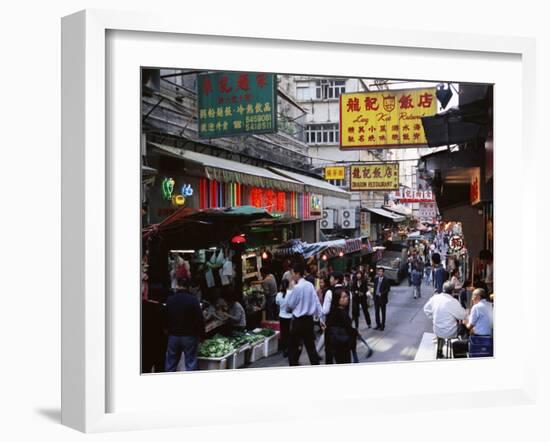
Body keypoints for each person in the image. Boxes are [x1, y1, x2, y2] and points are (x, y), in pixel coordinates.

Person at [285, 263, 324, 366]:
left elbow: (289, 304)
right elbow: (316, 302)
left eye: (292, 273)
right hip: (308, 321)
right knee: (311, 347)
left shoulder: (297, 287)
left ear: (297, 273)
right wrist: (321, 318)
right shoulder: (310, 285)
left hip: (298, 321)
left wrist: (290, 289)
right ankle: (315, 364)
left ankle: (294, 365)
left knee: (293, 347)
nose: (292, 275)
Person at [163, 277, 206, 371]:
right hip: (189, 337)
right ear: (189, 287)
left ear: (177, 286)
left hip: (173, 336)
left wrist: (166, 329)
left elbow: (165, 316)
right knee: (190, 363)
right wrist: (202, 335)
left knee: (170, 363)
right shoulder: (193, 300)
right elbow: (199, 319)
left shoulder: (170, 299)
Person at [423, 281, 467, 358]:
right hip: (450, 332)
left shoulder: (435, 298)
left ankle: (439, 351)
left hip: (437, 330)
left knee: (442, 333)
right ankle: (461, 353)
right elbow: (463, 316)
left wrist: (433, 316)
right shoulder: (453, 301)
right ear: (453, 291)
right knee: (464, 327)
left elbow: (426, 309)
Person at [326, 288, 357, 364]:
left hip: (337, 346)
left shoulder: (333, 312)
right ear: (337, 300)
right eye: (343, 297)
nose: (347, 299)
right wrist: (355, 332)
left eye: (347, 296)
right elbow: (348, 329)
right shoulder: (342, 313)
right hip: (343, 345)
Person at [321, 271, 344, 364]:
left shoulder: (330, 292)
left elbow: (325, 311)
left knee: (329, 349)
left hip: (331, 325)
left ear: (336, 280)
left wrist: (321, 320)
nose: (329, 280)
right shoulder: (347, 291)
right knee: (341, 349)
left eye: (331, 278)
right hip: (343, 325)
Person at [276, 278, 293, 357]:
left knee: (284, 334)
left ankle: (284, 350)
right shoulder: (291, 293)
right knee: (290, 334)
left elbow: (277, 304)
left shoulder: (278, 295)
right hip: (290, 317)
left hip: (282, 316)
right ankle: (290, 349)